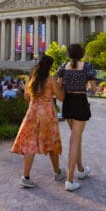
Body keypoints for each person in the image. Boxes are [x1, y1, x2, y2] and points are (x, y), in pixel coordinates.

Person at [11, 55, 66, 188]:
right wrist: (61, 85)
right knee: (52, 142)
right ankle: (57, 172)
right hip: (47, 114)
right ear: (50, 67)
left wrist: (35, 104)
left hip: (32, 112)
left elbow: (26, 96)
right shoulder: (51, 79)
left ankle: (26, 176)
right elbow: (61, 97)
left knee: (30, 144)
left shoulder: (32, 78)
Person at [56, 44, 96, 191]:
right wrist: (85, 87)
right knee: (75, 139)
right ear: (81, 53)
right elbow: (94, 88)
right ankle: (69, 180)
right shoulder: (87, 67)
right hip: (80, 102)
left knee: (75, 137)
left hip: (68, 103)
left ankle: (80, 169)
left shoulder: (63, 66)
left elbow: (59, 85)